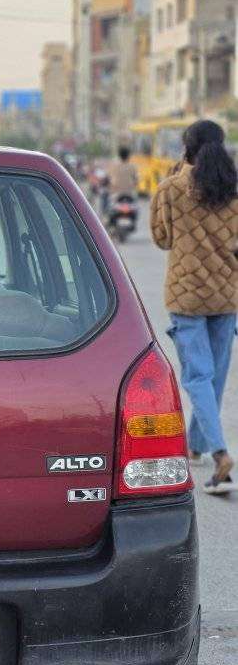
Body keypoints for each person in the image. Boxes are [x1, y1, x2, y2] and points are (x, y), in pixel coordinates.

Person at [151, 119, 238, 495]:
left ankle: (220, 455)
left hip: (187, 296)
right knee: (214, 376)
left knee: (198, 377)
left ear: (186, 148)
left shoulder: (172, 188)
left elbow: (162, 239)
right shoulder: (234, 188)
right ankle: (197, 444)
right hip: (227, 292)